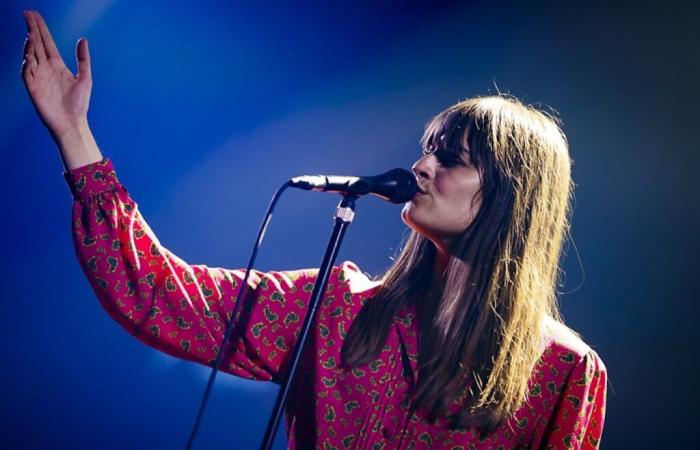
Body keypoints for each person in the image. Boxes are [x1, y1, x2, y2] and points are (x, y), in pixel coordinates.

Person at [21, 9, 607, 449]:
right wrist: (75, 136)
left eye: (450, 158)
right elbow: (157, 295)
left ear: (509, 198)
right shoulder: (334, 309)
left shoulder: (563, 371)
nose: (422, 167)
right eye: (427, 150)